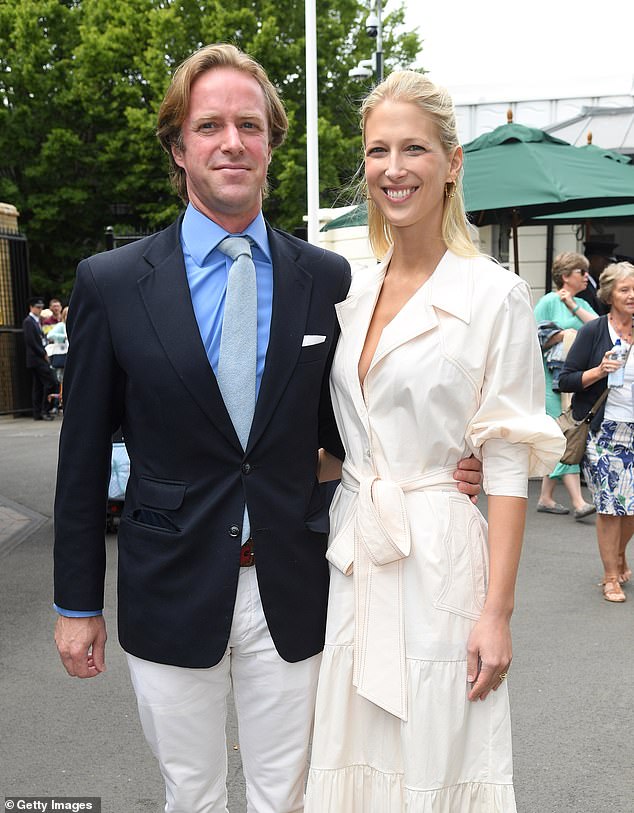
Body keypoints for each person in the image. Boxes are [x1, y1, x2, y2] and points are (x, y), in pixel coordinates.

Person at [52, 45, 483, 813]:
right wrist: (75, 603)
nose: (231, 142)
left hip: (291, 581)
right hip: (168, 584)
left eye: (249, 125)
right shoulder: (111, 284)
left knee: (284, 793)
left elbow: (354, 421)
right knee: (191, 792)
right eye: (209, 124)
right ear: (179, 145)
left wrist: (445, 460)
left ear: (272, 144)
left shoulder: (326, 280)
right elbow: (81, 459)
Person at [304, 70, 565, 812]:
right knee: (354, 755)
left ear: (452, 162)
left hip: (442, 558)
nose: (393, 168)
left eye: (414, 148)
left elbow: (509, 461)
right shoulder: (350, 290)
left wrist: (497, 612)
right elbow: (344, 440)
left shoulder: (495, 294)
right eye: (378, 150)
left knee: (437, 758)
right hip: (357, 550)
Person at [559, 261, 634, 603]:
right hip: (604, 434)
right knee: (609, 506)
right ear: (608, 295)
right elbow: (567, 379)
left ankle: (619, 555)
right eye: (624, 290)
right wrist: (599, 370)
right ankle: (609, 577)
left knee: (630, 508)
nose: (632, 296)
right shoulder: (594, 331)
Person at [533, 252, 597, 518]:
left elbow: (597, 326)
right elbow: (532, 333)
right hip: (550, 381)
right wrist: (564, 335)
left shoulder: (579, 302)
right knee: (564, 435)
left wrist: (572, 306)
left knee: (563, 433)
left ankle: (546, 497)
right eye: (581, 272)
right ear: (565, 276)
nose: (586, 277)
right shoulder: (548, 300)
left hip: (571, 379)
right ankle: (578, 502)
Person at [22, 296, 58, 421]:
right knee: (50, 382)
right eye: (37, 307)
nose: (39, 309)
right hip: (37, 358)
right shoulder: (29, 321)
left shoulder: (37, 321)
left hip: (37, 357)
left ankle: (38, 412)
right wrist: (43, 353)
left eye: (41, 307)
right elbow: (32, 341)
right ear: (31, 307)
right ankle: (44, 410)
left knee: (38, 386)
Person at [576, 240, 617, 316]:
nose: (607, 266)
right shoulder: (583, 288)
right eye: (605, 261)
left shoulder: (596, 284)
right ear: (591, 260)